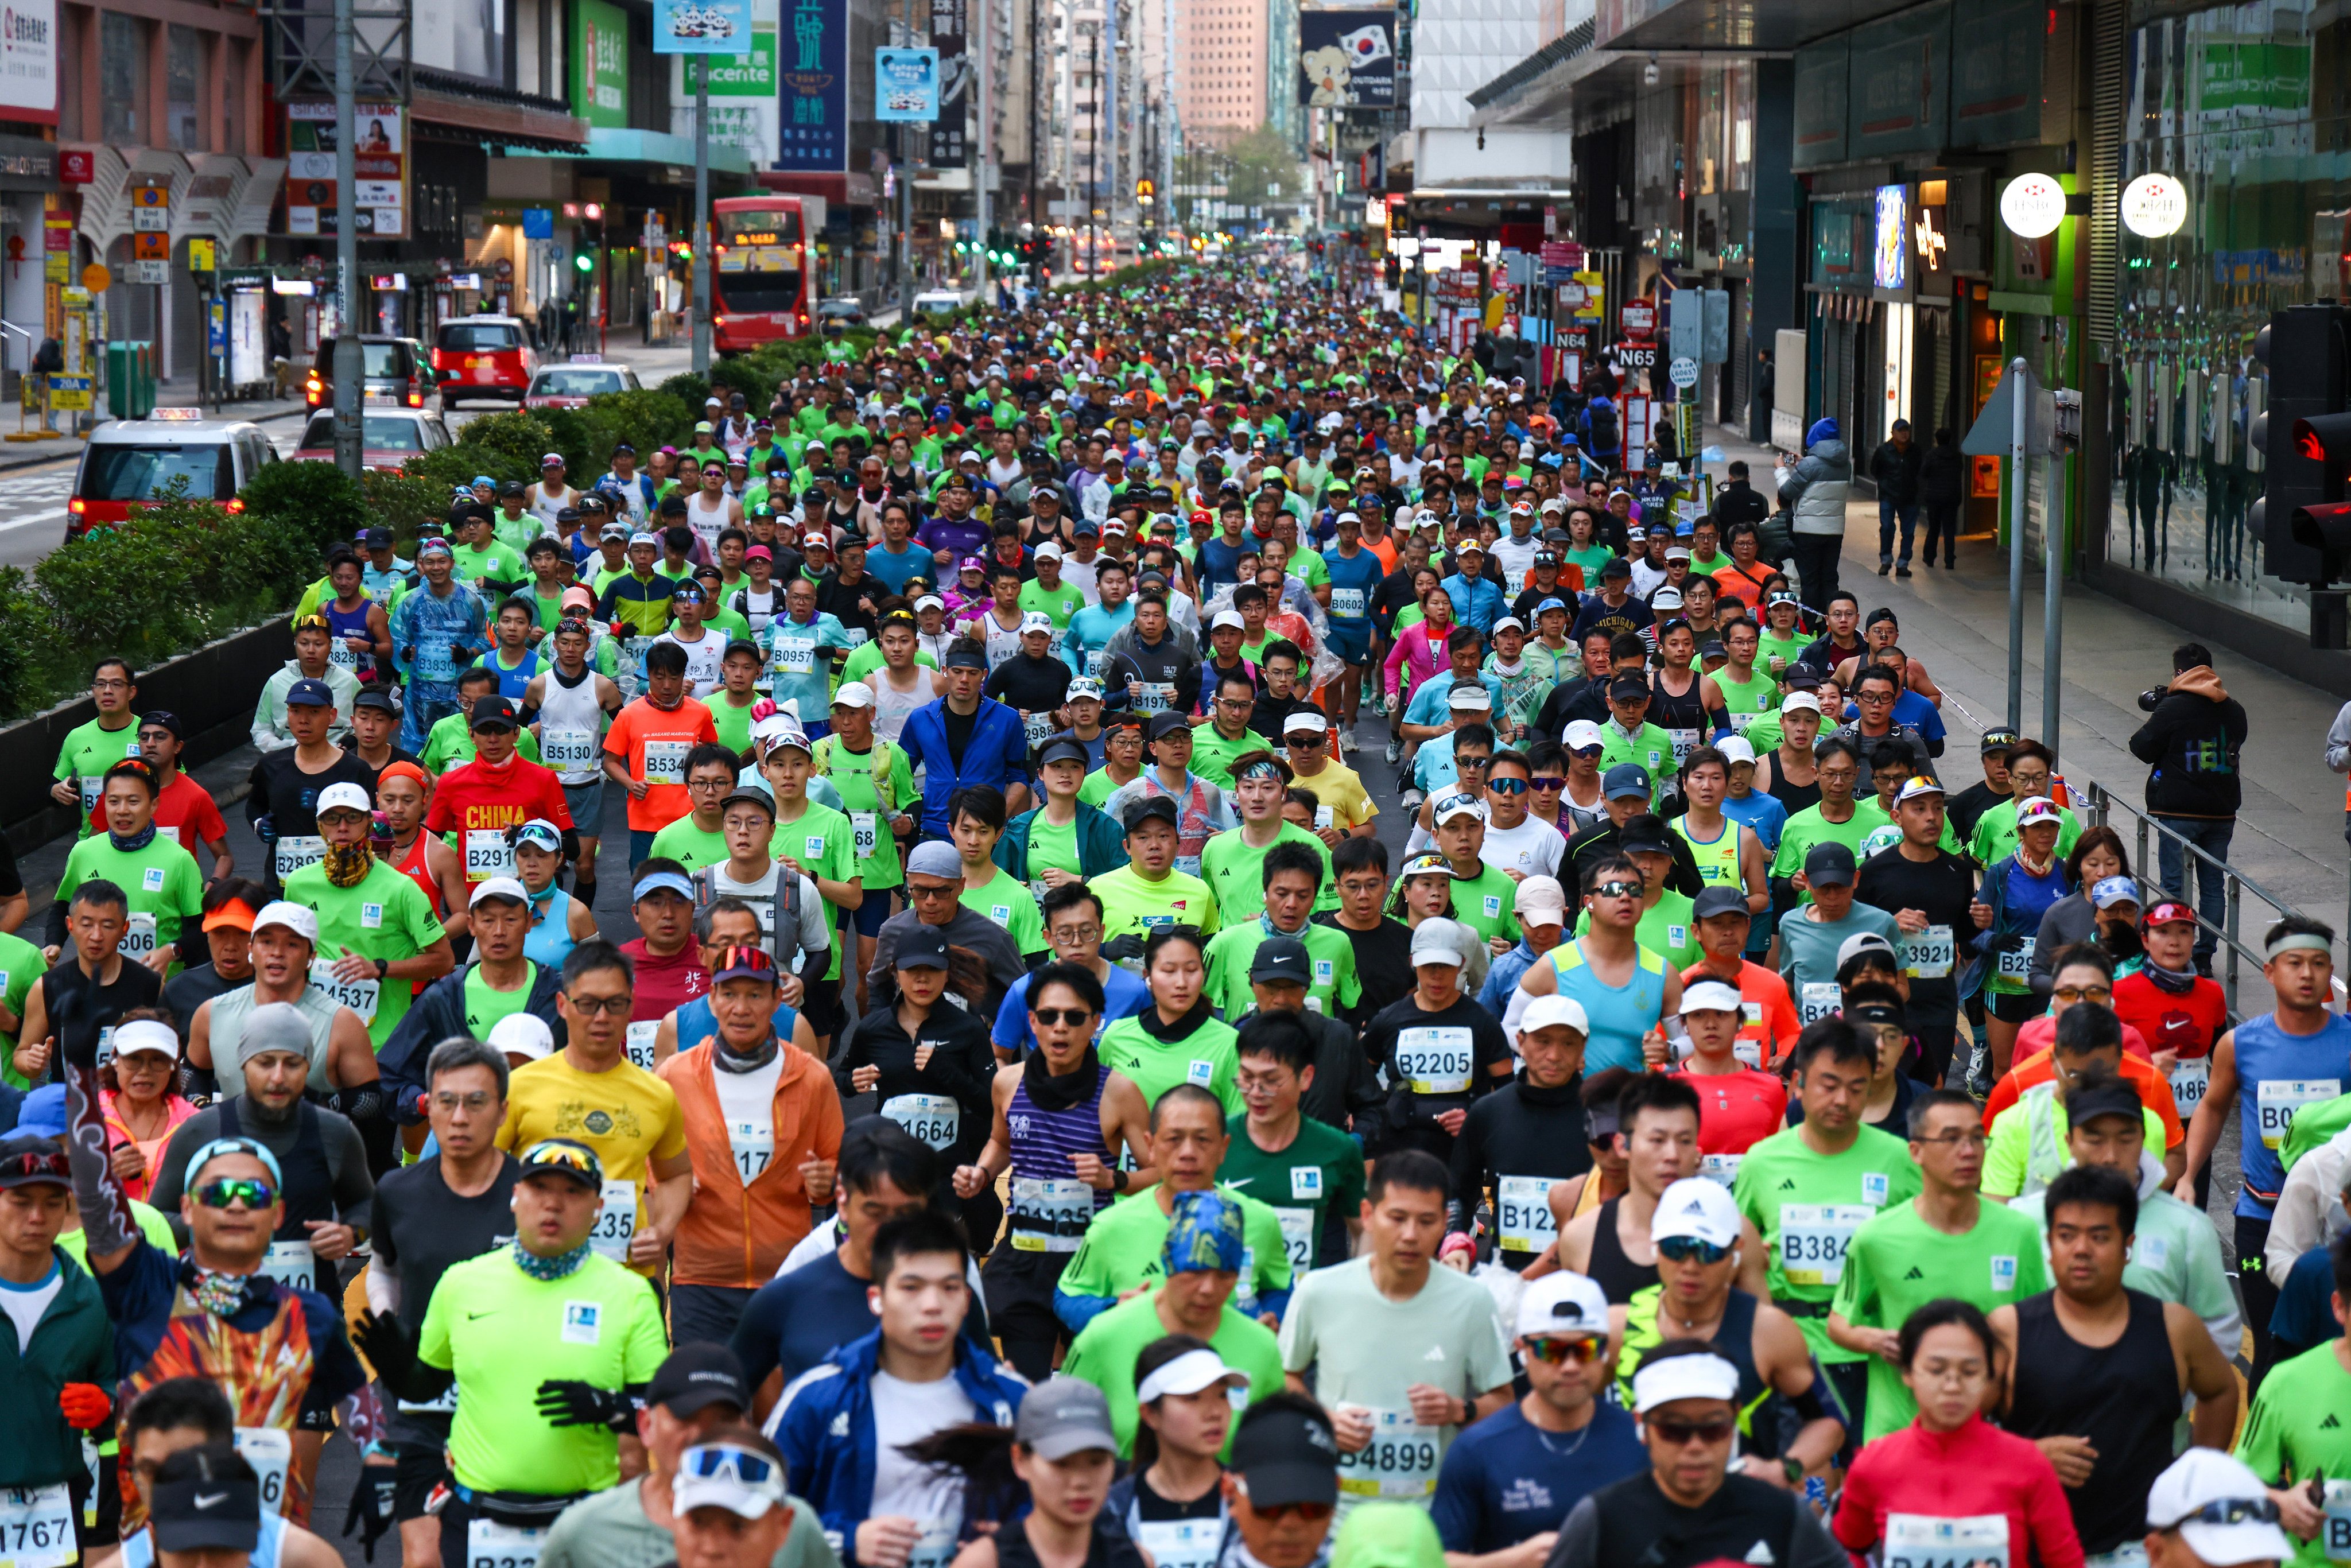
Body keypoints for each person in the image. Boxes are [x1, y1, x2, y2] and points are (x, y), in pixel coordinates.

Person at [357, 1138, 669, 1568]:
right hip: (477, 1518)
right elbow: (428, 1385)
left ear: (598, 1208)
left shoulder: (631, 1295)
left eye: (573, 1192)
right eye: (540, 1189)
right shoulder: (462, 1282)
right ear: (515, 1197)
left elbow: (662, 1416)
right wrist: (398, 1372)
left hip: (582, 1522)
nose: (553, 1205)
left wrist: (610, 1407)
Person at [1992, 1160, 2238, 1553]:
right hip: (2033, 1548)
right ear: (2049, 1246)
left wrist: (2194, 1476)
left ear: (2128, 1246)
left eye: (2100, 1236)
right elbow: (1956, 1424)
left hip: (2143, 1548)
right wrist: (2025, 1457)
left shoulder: (2175, 1327)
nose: (2082, 1250)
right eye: (2067, 1235)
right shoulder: (2007, 1330)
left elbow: (2221, 1389)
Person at [766, 1209, 1031, 1566]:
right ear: (876, 1298)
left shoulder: (1014, 1400)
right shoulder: (816, 1399)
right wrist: (845, 1539)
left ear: (967, 1301)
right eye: (912, 1287)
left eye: (950, 1288)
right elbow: (760, 1513)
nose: (933, 1306)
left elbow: (1061, 1521)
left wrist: (1005, 1547)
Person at [1277, 1150, 1516, 1517]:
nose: (1410, 1235)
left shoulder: (1472, 1301)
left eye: (1426, 1221)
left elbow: (1505, 1401)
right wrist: (1323, 1421)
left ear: (1443, 1226)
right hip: (1336, 1513)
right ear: (1369, 1216)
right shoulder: (1319, 1292)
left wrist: (1458, 1408)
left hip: (1431, 1517)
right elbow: (1285, 1378)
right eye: (1397, 1218)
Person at [2172, 915, 2351, 1387]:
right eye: (2295, 963)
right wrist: (2188, 1176)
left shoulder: (2349, 1043)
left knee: (2335, 1344)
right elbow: (2212, 1108)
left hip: (2338, 1221)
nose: (2307, 974)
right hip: (2262, 1219)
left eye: (2318, 963)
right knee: (2274, 1348)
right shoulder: (2240, 1044)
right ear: (2270, 972)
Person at [363, 1037, 519, 1568]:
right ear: (427, 1105)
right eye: (445, 1102)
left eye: (476, 1102)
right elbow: (383, 1267)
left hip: (508, 1398)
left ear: (502, 1110)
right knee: (424, 1557)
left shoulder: (532, 1193)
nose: (458, 1117)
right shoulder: (396, 1190)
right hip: (420, 1398)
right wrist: (386, 1318)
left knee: (493, 1551)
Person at [959, 961, 1156, 1381]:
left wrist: (1114, 1180)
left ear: (1096, 1022)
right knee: (1027, 1384)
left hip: (1093, 1263)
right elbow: (1001, 1142)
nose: (1060, 1028)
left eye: (1074, 1017)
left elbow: (1160, 1172)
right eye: (1048, 1016)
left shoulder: (1119, 1092)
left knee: (1091, 1387)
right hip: (1025, 1260)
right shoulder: (1008, 1083)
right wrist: (982, 1172)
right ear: (1032, 1022)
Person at [1826, 1089, 2053, 1443]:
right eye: (1951, 1139)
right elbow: (1840, 1323)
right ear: (1916, 1151)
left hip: (1988, 1440)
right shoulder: (1876, 1238)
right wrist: (1874, 1339)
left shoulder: (2019, 1232)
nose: (1969, 1151)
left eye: (1978, 1138)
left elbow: (2038, 1330)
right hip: (1896, 1437)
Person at [657, 943, 841, 1345]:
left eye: (756, 995)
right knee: (707, 1405)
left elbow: (836, 1166)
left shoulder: (811, 1078)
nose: (741, 1008)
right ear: (712, 999)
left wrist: (825, 1182)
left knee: (778, 1405)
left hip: (786, 1277)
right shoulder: (675, 1076)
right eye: (729, 994)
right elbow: (650, 1166)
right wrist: (671, 1190)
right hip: (701, 1280)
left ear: (778, 1000)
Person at [1611, 1177, 1845, 1480]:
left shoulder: (1768, 1330)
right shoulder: (1618, 1327)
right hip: (1643, 1510)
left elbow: (1830, 1422)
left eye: (1708, 1251)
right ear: (1654, 1246)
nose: (1691, 1266)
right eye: (1676, 1248)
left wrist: (1784, 1470)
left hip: (1738, 1511)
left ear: (1736, 1251)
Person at [1544, 1342, 1847, 1568]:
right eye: (1674, 1430)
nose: (1695, 1446)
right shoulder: (1603, 1518)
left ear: (1734, 1421)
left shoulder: (1782, 1513)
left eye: (1713, 1428)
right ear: (1642, 1426)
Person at [494, 940, 694, 1278]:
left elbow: (676, 1174)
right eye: (588, 1004)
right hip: (536, 1271)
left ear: (631, 1007)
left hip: (626, 1278)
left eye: (615, 1004)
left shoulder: (657, 1094)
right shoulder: (521, 1086)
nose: (602, 1017)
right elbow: (487, 1175)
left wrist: (662, 1230)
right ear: (562, 1004)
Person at [1830, 1301, 2084, 1568]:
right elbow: (1846, 1551)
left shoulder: (2029, 1464)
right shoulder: (1873, 1464)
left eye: (1970, 1372)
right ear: (1907, 1372)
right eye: (1937, 1370)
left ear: (1989, 1376)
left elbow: (2066, 1562)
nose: (1952, 1386)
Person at [537, 1346, 839, 1568]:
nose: (701, 1437)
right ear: (646, 1426)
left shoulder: (796, 1524)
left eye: (723, 1420)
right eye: (686, 1418)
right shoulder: (583, 1530)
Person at [1426, 1272, 1640, 1567]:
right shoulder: (1478, 1450)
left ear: (1605, 1349)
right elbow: (1434, 1561)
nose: (1569, 1367)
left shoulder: (1640, 1441)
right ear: (1523, 1350)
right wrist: (1513, 1562)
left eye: (1585, 1350)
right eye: (1551, 1350)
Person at [1062, 1190, 1287, 1459]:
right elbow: (1060, 1430)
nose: (1208, 1289)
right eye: (1195, 1272)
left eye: (1225, 1276)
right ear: (1168, 1262)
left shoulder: (1260, 1346)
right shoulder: (1104, 1336)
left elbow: (1275, 1445)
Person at [1053, 1084, 1292, 1331]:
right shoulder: (1111, 1226)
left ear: (1224, 1148)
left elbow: (1280, 1286)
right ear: (1151, 1147)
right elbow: (1069, 1296)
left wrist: (1274, 1314)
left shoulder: (1259, 1220)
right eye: (1174, 1139)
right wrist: (1113, 1309)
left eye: (1202, 1139)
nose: (1188, 1153)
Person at [832, 926, 998, 1235]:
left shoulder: (968, 1029)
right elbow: (842, 1077)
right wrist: (852, 1082)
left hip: (947, 1171)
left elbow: (991, 1104)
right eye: (913, 970)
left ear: (947, 974)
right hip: (890, 1166)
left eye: (932, 970)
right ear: (896, 973)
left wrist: (946, 1071)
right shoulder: (874, 1028)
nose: (923, 980)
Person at [282, 781, 453, 1061]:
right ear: (320, 825)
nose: (342, 827)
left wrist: (379, 969)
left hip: (381, 1047)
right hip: (315, 1041)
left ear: (368, 823)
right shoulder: (299, 884)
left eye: (352, 817)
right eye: (331, 818)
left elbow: (444, 960)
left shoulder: (401, 889)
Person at [374, 879, 568, 1121]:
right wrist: (426, 1103)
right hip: (463, 1145)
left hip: (539, 1142)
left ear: (529, 922)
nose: (499, 931)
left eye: (511, 919)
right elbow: (389, 1075)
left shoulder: (560, 995)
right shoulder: (443, 998)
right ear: (471, 925)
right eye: (488, 920)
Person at [0, 1131, 114, 1538]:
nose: (37, 1217)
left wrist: (107, 1405)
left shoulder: (91, 1302)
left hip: (59, 1512)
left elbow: (119, 1388)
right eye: (20, 1201)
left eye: (52, 1204)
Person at [1446, 993, 1590, 1272]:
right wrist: (1461, 1242)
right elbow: (1463, 1192)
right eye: (1543, 1041)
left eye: (1568, 1043)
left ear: (1583, 1047)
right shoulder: (1488, 1112)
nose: (1554, 1055)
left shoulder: (1600, 1116)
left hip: (1579, 1277)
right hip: (1500, 1272)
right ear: (1521, 1043)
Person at [2129, 643, 2248, 972]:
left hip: (2178, 811)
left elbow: (2140, 746)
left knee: (2174, 886)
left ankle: (2174, 952)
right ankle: (2204, 956)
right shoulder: (2234, 709)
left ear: (2179, 673)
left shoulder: (2173, 708)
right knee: (2214, 887)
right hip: (2222, 813)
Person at [1360, 918, 1515, 1164]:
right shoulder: (1388, 1021)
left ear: (1462, 964)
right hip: (1399, 1153)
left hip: (1461, 1156)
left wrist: (1475, 1120)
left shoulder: (1484, 1023)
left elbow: (1508, 1092)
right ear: (1413, 963)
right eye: (1428, 965)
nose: (1437, 975)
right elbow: (1360, 1084)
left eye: (1446, 965)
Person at [899, 642, 1035, 839]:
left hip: (984, 833)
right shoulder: (921, 718)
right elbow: (901, 774)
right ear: (945, 671)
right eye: (957, 671)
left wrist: (997, 816)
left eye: (972, 673)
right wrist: (911, 815)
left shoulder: (1007, 719)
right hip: (934, 829)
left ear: (984, 674)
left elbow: (1020, 775)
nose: (964, 679)